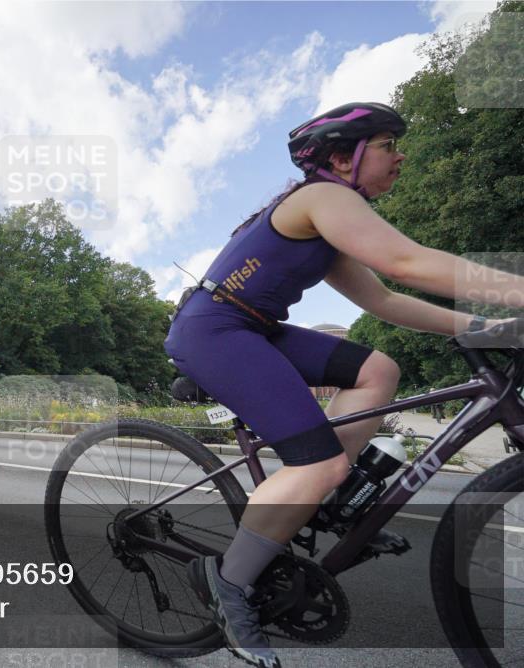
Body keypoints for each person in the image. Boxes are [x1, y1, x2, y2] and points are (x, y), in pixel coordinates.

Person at [165, 101, 524, 668]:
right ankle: (226, 582)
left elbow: (384, 299)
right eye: (386, 145)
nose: (400, 155)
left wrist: (491, 327)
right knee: (320, 461)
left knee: (378, 370)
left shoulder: (329, 224)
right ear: (341, 157)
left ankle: (321, 494)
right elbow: (407, 262)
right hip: (213, 328)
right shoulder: (323, 198)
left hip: (253, 327)